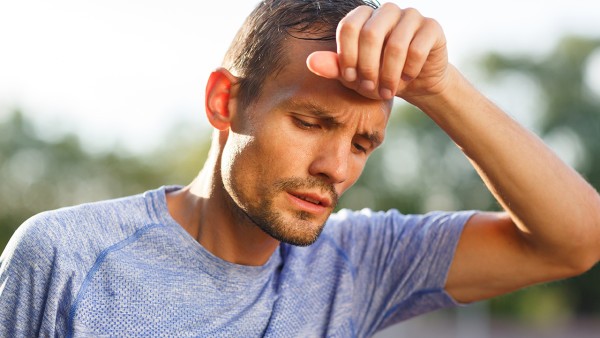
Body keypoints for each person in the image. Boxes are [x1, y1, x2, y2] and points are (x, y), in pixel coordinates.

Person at [1, 0, 599, 336]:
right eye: (310, 123)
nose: (336, 167)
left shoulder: (358, 263)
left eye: (364, 144)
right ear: (224, 102)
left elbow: (575, 241)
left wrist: (441, 88)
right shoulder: (65, 256)